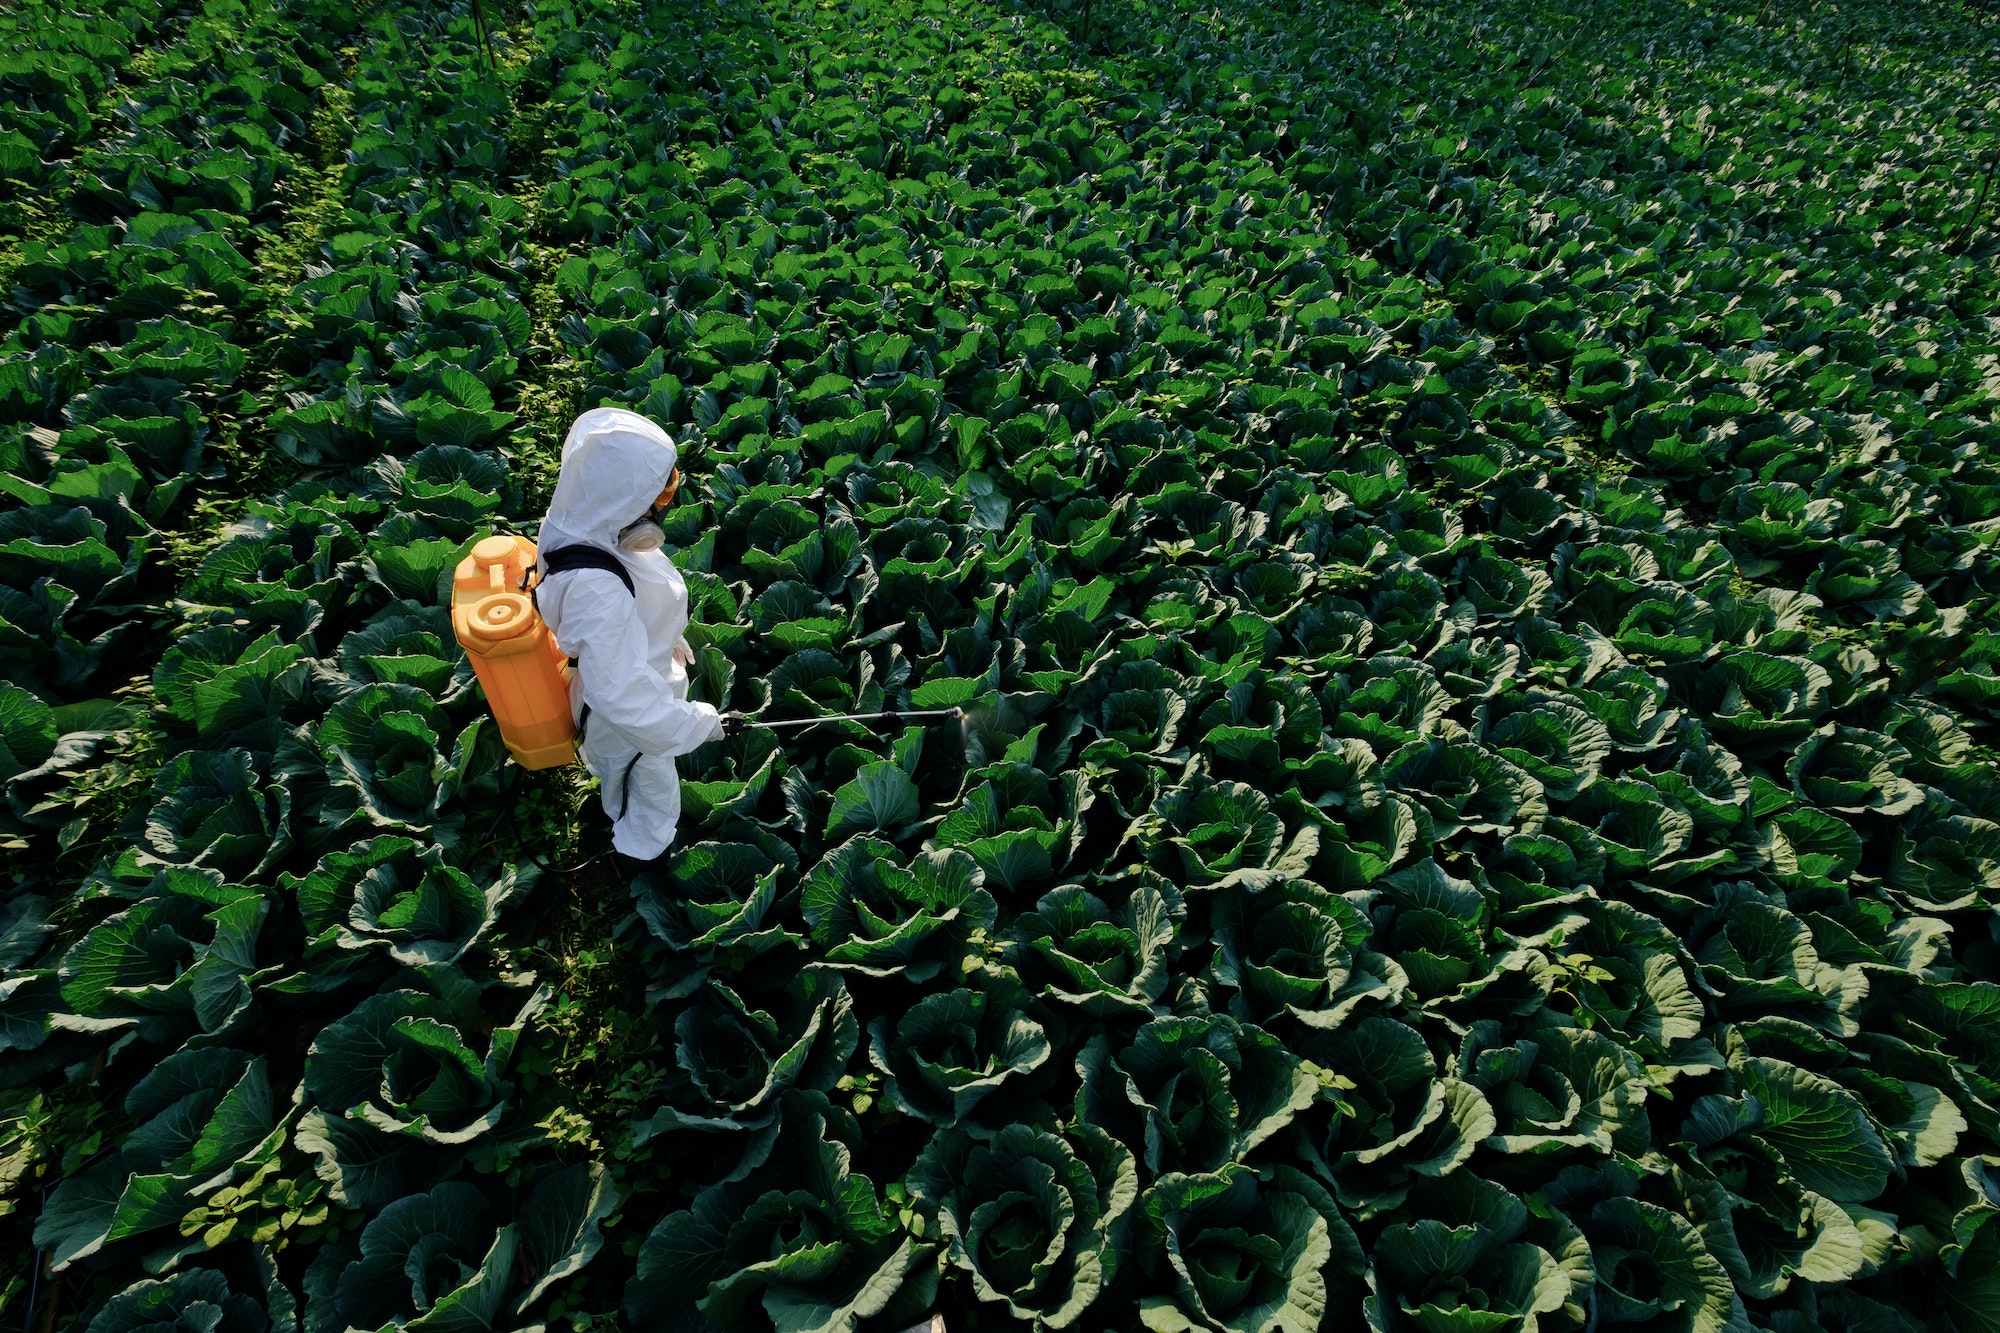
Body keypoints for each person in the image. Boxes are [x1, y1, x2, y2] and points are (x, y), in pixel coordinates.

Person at [534, 407, 730, 871]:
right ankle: (642, 849)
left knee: (642, 765)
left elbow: (634, 602)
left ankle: (640, 832)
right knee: (646, 781)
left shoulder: (580, 521)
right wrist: (695, 724)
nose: (664, 502)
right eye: (660, 492)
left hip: (638, 674)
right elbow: (624, 698)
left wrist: (666, 635)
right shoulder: (594, 589)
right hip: (626, 721)